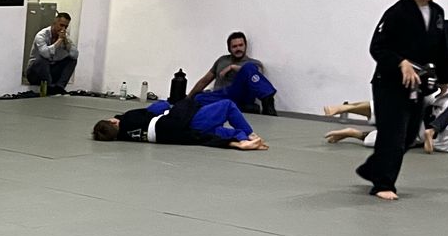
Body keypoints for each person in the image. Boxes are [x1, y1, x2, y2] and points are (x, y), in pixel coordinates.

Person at [358, 0, 448, 200]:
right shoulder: (397, 13)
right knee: (392, 135)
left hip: (418, 84)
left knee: (409, 135)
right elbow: (378, 47)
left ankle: (372, 169)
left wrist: (446, 78)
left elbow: (441, 49)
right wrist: (400, 62)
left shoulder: (437, 12)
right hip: (389, 83)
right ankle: (383, 184)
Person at [92, 96, 268, 149]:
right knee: (227, 106)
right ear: (113, 122)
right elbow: (156, 108)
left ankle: (242, 140)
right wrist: (166, 104)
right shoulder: (128, 118)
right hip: (182, 122)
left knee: (215, 131)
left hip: (182, 135)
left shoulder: (126, 137)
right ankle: (250, 135)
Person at [189, 32, 277, 114]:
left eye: (241, 45)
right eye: (234, 46)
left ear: (245, 46)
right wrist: (187, 98)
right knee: (198, 98)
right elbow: (204, 81)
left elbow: (258, 79)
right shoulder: (222, 60)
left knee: (248, 68)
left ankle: (268, 104)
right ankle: (238, 107)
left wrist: (233, 67)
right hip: (222, 95)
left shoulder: (254, 63)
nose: (238, 49)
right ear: (229, 49)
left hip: (241, 95)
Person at [26, 13, 78, 93]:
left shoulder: (65, 37)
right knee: (43, 59)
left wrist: (66, 43)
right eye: (61, 25)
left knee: (72, 59)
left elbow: (75, 55)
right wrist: (59, 41)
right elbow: (45, 54)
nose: (63, 29)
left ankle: (59, 87)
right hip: (35, 73)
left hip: (50, 72)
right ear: (54, 23)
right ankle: (49, 87)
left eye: (66, 27)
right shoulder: (41, 35)